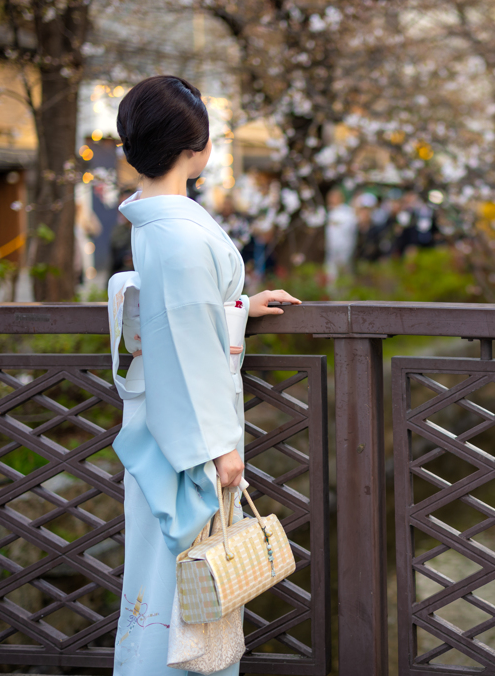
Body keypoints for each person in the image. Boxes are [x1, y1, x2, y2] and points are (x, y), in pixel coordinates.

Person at [111, 75, 300, 676]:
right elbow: (189, 345)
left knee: (162, 579)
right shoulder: (182, 234)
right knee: (185, 581)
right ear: (196, 148)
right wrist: (220, 447)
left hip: (162, 427)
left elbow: (183, 324)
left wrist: (238, 306)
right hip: (189, 442)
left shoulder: (157, 226)